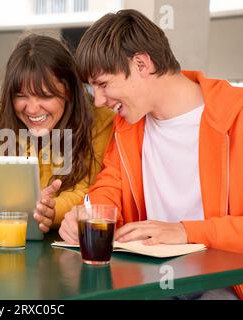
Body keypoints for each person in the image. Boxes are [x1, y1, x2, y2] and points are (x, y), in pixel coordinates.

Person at [58, 9, 243, 299]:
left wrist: (186, 231)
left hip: (223, 282)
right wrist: (89, 214)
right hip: (149, 277)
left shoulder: (237, 115)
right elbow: (110, 185)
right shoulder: (128, 126)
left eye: (103, 84)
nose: (99, 100)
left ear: (142, 64)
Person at [0, 34, 115, 239]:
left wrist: (53, 210)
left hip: (67, 243)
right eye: (21, 96)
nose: (33, 109)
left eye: (45, 95)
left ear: (70, 91)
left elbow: (92, 190)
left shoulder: (99, 120)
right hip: (1, 242)